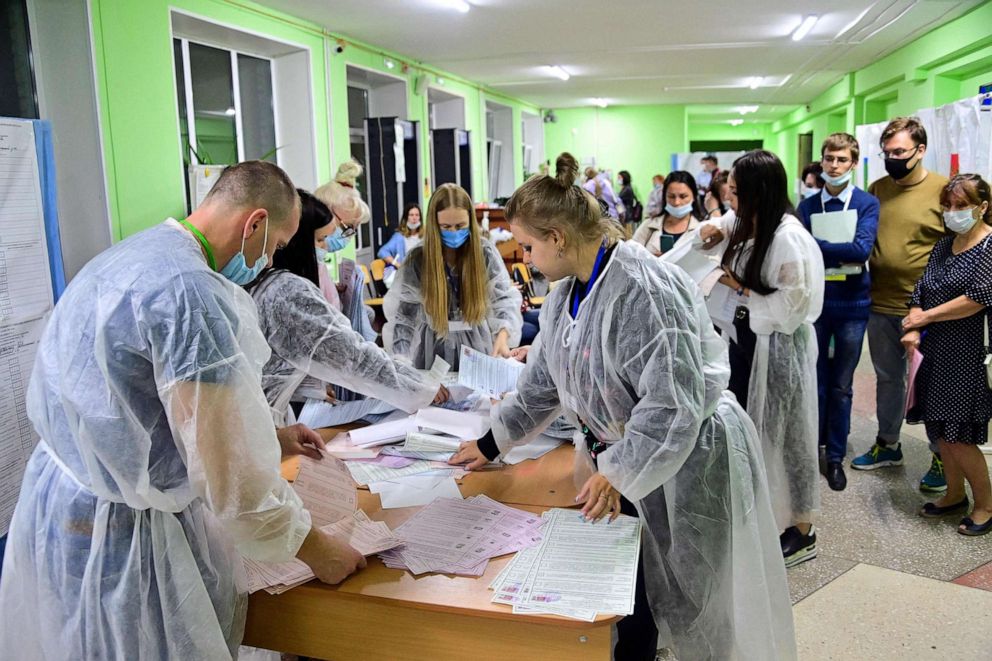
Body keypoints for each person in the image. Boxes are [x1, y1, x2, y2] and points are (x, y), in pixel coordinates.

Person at [0, 161, 366, 659]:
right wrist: (319, 551)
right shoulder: (191, 296)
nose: (268, 262)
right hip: (125, 533)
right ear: (254, 222)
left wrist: (273, 440)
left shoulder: (130, 256)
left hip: (59, 505)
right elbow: (233, 482)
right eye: (276, 247)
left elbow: (135, 412)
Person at [450, 152, 796, 661]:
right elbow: (544, 380)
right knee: (635, 591)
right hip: (630, 461)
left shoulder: (645, 289)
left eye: (527, 245)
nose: (524, 257)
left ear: (558, 238)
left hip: (692, 458)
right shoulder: (565, 292)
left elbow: (673, 404)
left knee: (700, 596)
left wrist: (618, 473)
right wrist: (489, 441)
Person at [698, 150, 824, 567]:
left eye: (737, 192)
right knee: (750, 431)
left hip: (779, 346)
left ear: (759, 193)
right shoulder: (746, 220)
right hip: (744, 341)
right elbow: (721, 225)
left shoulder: (788, 236)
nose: (731, 199)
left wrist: (738, 287)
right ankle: (758, 515)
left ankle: (802, 529)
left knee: (789, 436)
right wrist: (714, 227)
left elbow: (792, 307)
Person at [249, 189, 448, 426]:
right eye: (319, 240)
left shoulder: (271, 283)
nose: (323, 247)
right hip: (265, 422)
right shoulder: (287, 291)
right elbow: (353, 356)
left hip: (274, 417)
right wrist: (419, 387)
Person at [851, 117, 951, 493]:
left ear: (920, 150)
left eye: (899, 152)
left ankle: (942, 455)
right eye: (887, 152)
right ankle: (888, 443)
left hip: (926, 310)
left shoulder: (944, 191)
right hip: (880, 303)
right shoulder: (877, 189)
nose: (892, 159)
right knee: (888, 378)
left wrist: (926, 307)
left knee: (930, 385)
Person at [903, 174, 992, 536]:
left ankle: (986, 504)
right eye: (948, 206)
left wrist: (925, 317)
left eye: (961, 206)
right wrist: (913, 322)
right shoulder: (945, 245)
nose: (952, 213)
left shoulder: (988, 249)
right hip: (935, 351)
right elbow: (921, 286)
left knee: (959, 435)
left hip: (968, 354)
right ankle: (954, 494)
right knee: (940, 430)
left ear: (983, 207)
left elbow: (975, 299)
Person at [796, 133, 880, 491]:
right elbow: (799, 251)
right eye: (829, 159)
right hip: (816, 305)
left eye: (842, 160)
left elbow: (861, 249)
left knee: (842, 385)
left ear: (853, 162)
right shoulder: (808, 206)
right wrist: (834, 250)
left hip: (852, 306)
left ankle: (835, 458)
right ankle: (812, 448)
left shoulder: (866, 203)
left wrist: (819, 247)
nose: (834, 166)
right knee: (814, 383)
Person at [383, 183, 522, 370]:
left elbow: (504, 299)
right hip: (431, 352)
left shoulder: (484, 253)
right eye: (446, 227)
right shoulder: (419, 259)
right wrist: (402, 365)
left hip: (477, 348)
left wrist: (503, 335)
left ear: (470, 222)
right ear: (434, 225)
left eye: (460, 226)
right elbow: (404, 319)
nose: (454, 233)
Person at [313, 160, 372, 307]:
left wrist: (331, 289)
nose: (349, 236)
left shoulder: (317, 261)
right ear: (326, 213)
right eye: (347, 227)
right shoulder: (301, 263)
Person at [632, 171, 702, 256]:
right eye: (671, 196)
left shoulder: (701, 228)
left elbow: (711, 264)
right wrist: (651, 260)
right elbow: (630, 257)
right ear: (664, 197)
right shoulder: (648, 226)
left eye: (683, 196)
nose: (676, 202)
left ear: (694, 196)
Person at [377, 202, 423, 286]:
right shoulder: (399, 237)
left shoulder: (425, 236)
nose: (414, 218)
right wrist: (397, 264)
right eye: (411, 215)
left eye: (417, 215)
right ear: (406, 218)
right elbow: (382, 252)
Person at [616, 169, 640, 234]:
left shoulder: (627, 189)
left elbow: (618, 201)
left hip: (627, 217)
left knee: (628, 236)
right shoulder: (625, 188)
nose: (618, 179)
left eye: (619, 178)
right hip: (626, 216)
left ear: (624, 178)